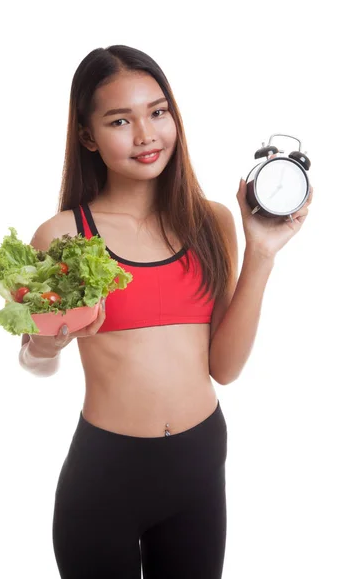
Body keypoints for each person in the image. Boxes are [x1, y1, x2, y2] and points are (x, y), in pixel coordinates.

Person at [19, 45, 313, 579]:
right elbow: (36, 364)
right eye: (119, 120)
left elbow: (223, 367)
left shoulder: (212, 222)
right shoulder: (62, 237)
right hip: (105, 477)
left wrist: (261, 253)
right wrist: (44, 345)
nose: (146, 135)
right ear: (87, 136)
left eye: (157, 112)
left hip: (199, 464)